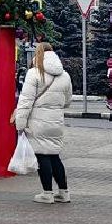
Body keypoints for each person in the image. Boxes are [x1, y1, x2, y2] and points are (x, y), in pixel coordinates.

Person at [13, 42, 74, 203]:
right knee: (55, 156)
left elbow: (25, 101)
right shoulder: (65, 75)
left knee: (42, 156)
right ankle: (64, 192)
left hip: (37, 122)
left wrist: (20, 124)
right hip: (56, 121)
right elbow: (68, 101)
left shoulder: (34, 73)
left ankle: (47, 193)